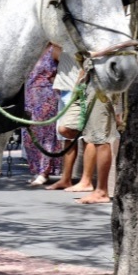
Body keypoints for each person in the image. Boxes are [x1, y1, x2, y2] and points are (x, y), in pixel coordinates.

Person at [45, 45, 120, 203]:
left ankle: (101, 191)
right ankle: (87, 182)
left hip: (103, 80)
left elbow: (122, 46)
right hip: (85, 80)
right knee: (65, 128)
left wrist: (96, 53)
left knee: (99, 137)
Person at [22, 45, 62, 186]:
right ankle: (37, 169)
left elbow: (68, 67)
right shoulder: (32, 50)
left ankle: (44, 172)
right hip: (29, 96)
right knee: (29, 135)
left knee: (46, 134)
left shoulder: (54, 49)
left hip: (46, 95)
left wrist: (56, 79)